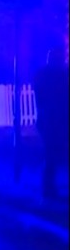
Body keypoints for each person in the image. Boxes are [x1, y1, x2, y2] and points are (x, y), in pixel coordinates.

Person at [32, 46, 69, 200]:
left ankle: (48, 188)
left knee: (50, 154)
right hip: (59, 119)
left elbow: (39, 97)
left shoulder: (41, 74)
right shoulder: (63, 74)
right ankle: (48, 188)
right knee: (54, 154)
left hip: (47, 119)